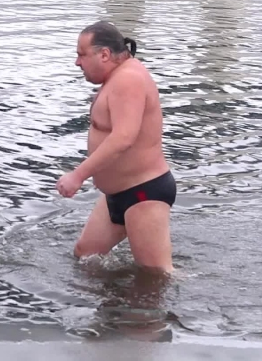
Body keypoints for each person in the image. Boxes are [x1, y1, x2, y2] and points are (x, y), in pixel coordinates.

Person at [56, 20, 177, 273]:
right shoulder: (117, 77)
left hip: (143, 193)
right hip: (119, 193)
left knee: (156, 276)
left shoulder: (128, 79)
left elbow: (123, 137)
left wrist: (78, 176)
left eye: (81, 55)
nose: (77, 62)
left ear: (104, 54)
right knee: (86, 255)